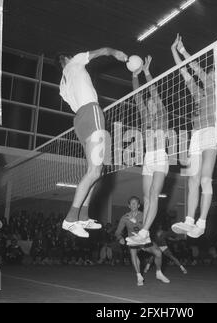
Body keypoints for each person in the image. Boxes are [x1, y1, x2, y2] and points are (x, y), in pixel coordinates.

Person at [56, 48, 128, 238]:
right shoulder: (75, 61)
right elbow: (102, 51)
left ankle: (83, 216)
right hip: (91, 112)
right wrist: (115, 53)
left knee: (96, 172)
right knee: (95, 171)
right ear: (66, 58)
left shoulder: (62, 84)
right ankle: (71, 218)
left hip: (79, 120)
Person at [171, 34, 217, 239]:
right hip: (196, 136)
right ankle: (189, 220)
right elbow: (184, 71)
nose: (211, 74)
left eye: (214, 72)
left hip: (210, 133)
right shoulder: (198, 93)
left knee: (206, 179)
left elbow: (196, 69)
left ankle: (202, 223)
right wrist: (174, 51)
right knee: (192, 180)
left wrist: (183, 51)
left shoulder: (214, 90)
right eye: (211, 71)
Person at [126, 56, 169, 246]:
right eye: (149, 102)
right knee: (145, 197)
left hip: (160, 157)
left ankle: (144, 232)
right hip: (148, 158)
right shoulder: (145, 117)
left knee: (153, 194)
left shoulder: (162, 116)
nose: (150, 103)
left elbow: (153, 91)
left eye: (153, 102)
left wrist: (146, 72)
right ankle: (146, 233)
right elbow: (138, 95)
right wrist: (135, 77)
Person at [115, 196, 170, 286]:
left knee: (158, 253)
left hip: (144, 239)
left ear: (138, 205)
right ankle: (139, 276)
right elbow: (117, 232)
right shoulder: (124, 217)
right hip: (133, 240)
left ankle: (159, 273)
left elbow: (147, 228)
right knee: (133, 253)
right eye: (131, 203)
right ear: (129, 206)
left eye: (135, 203)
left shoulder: (144, 215)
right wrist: (120, 238)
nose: (133, 205)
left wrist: (134, 221)